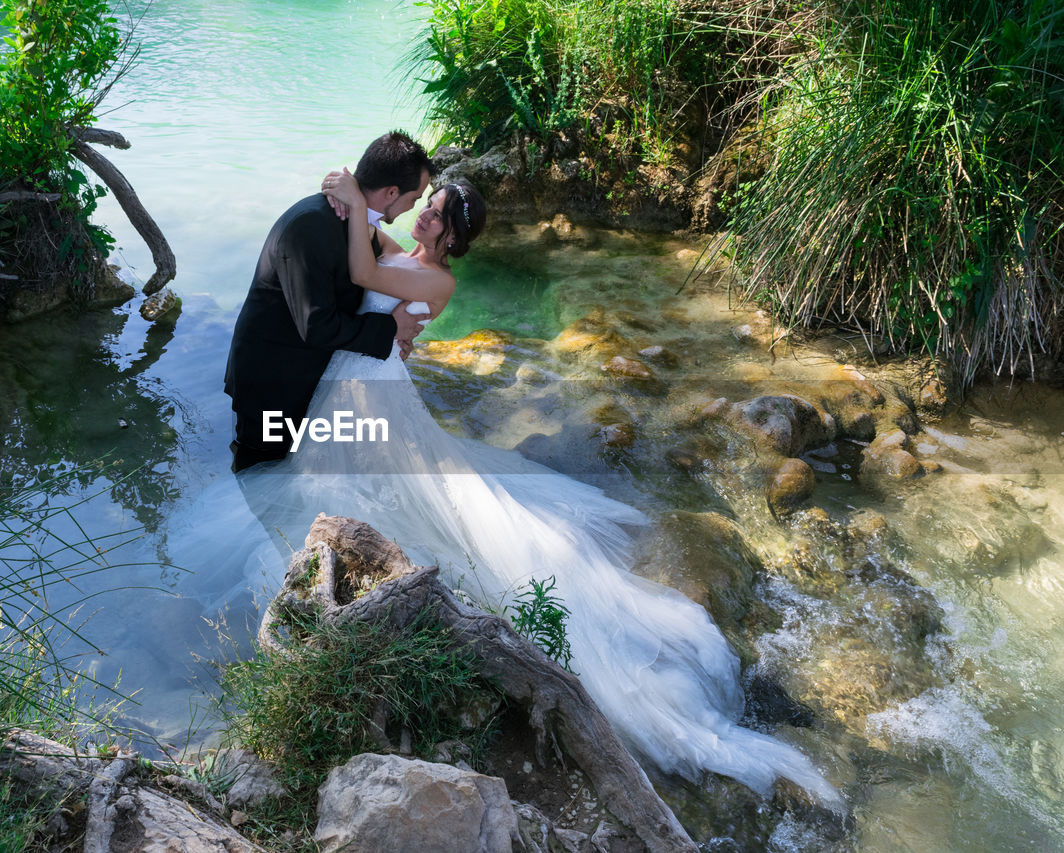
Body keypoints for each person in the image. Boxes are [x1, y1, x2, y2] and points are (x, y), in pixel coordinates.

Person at [229, 169, 843, 806]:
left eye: (435, 214)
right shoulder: (409, 256)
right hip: (359, 385)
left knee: (411, 498)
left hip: (369, 390)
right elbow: (373, 245)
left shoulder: (435, 279)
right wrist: (354, 204)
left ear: (453, 238)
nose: (425, 218)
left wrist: (355, 203)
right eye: (426, 206)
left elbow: (360, 272)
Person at [223, 131, 436, 472]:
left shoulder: (357, 220)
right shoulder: (310, 225)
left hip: (306, 373)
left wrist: (395, 341)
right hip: (272, 382)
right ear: (392, 192)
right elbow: (316, 325)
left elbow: (389, 268)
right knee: (259, 473)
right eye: (415, 198)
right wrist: (388, 328)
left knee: (295, 472)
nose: (414, 207)